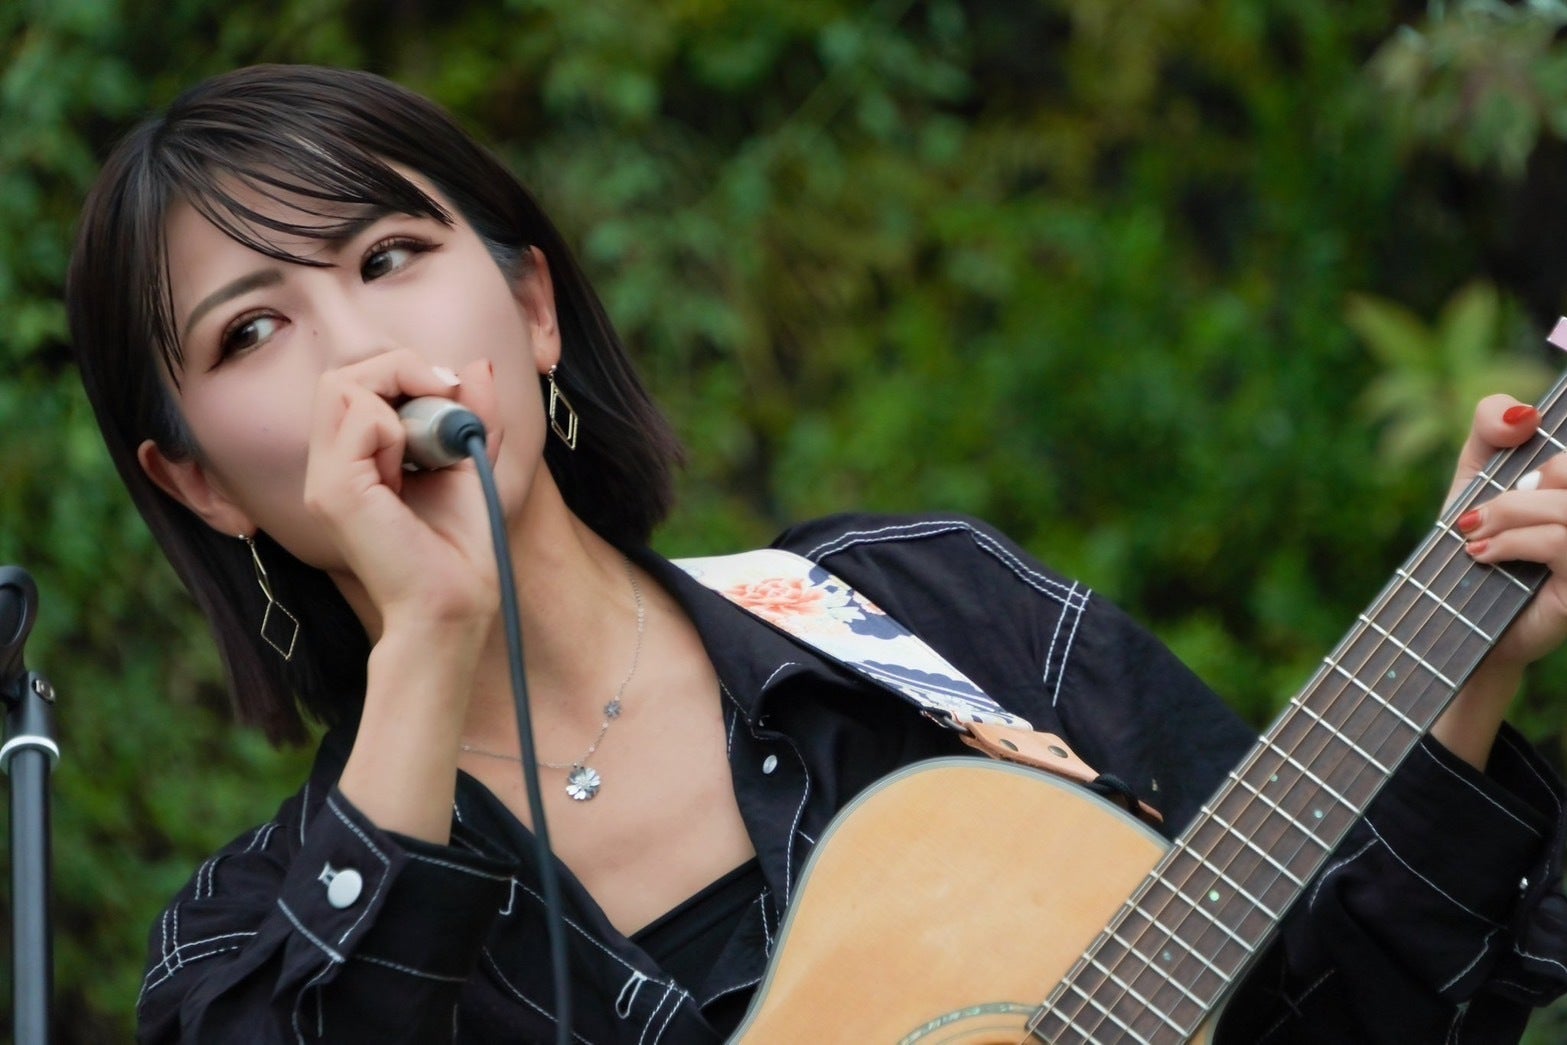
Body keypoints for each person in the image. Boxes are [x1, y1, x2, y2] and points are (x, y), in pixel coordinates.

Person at [67, 64, 1567, 1043]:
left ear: (532, 310)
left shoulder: (914, 612)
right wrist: (429, 638)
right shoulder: (244, 942)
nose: (361, 350)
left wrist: (1462, 667)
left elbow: (1334, 1013)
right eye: (252, 331)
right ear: (198, 483)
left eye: (390, 255)